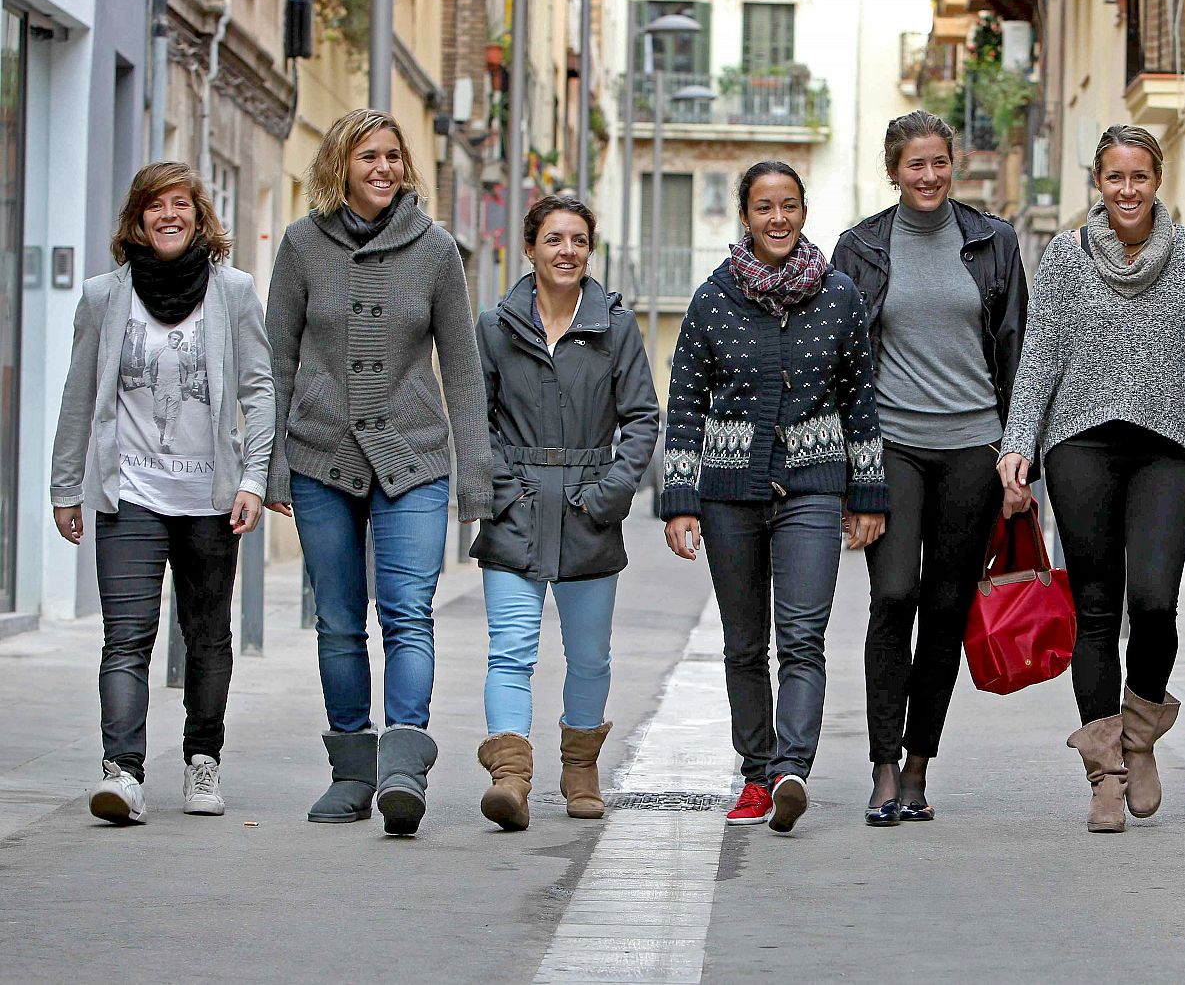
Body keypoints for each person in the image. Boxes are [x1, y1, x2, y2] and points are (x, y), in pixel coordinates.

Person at [264, 109, 491, 836]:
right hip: (320, 456)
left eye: (394, 156)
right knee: (337, 621)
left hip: (412, 459)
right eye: (369, 156)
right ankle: (351, 772)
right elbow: (276, 360)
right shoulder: (301, 246)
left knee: (407, 614)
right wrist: (268, 468)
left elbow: (461, 368)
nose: (384, 168)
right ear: (340, 165)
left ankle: (402, 766)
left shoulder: (435, 250)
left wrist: (474, 475)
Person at [998, 125, 1185, 833]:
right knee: (1096, 609)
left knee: (1156, 601)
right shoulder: (1065, 258)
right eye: (1114, 178)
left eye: (1139, 177)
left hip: (1165, 445)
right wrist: (1017, 446)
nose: (1127, 190)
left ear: (1158, 181)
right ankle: (1105, 769)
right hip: (1079, 445)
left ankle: (1140, 730)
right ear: (1098, 184)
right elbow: (1038, 356)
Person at [663, 161, 888, 834]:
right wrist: (681, 498)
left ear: (804, 210)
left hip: (814, 488)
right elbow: (684, 406)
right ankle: (755, 775)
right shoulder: (712, 300)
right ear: (746, 216)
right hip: (730, 492)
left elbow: (859, 401)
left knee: (802, 637)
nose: (779, 219)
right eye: (765, 207)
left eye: (789, 205)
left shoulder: (840, 296)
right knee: (741, 643)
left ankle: (792, 770)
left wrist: (868, 491)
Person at [51, 160, 274, 824]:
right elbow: (79, 394)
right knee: (126, 638)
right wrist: (67, 487)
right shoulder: (102, 297)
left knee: (208, 636)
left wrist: (255, 479)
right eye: (156, 206)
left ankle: (202, 762)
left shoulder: (233, 292)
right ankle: (122, 772)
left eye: (181, 203)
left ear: (199, 216)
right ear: (139, 220)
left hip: (211, 499)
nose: (169, 215)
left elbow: (260, 390)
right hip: (131, 497)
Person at [831, 110, 1030, 826]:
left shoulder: (992, 241)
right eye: (915, 164)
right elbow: (840, 367)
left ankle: (918, 765)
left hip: (974, 447)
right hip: (892, 449)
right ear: (894, 170)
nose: (928, 176)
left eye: (939, 163)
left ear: (955, 165)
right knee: (894, 597)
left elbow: (1018, 351)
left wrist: (1017, 453)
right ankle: (883, 764)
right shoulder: (858, 249)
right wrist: (849, 472)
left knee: (947, 608)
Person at [471, 195, 658, 830]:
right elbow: (476, 419)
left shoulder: (616, 327)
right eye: (553, 239)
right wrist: (502, 489)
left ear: (589, 250)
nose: (566, 250)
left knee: (589, 655)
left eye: (578, 240)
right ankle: (511, 779)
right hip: (515, 510)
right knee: (511, 651)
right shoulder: (495, 327)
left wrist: (608, 494)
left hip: (588, 513)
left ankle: (580, 770)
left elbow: (641, 418)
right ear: (529, 248)